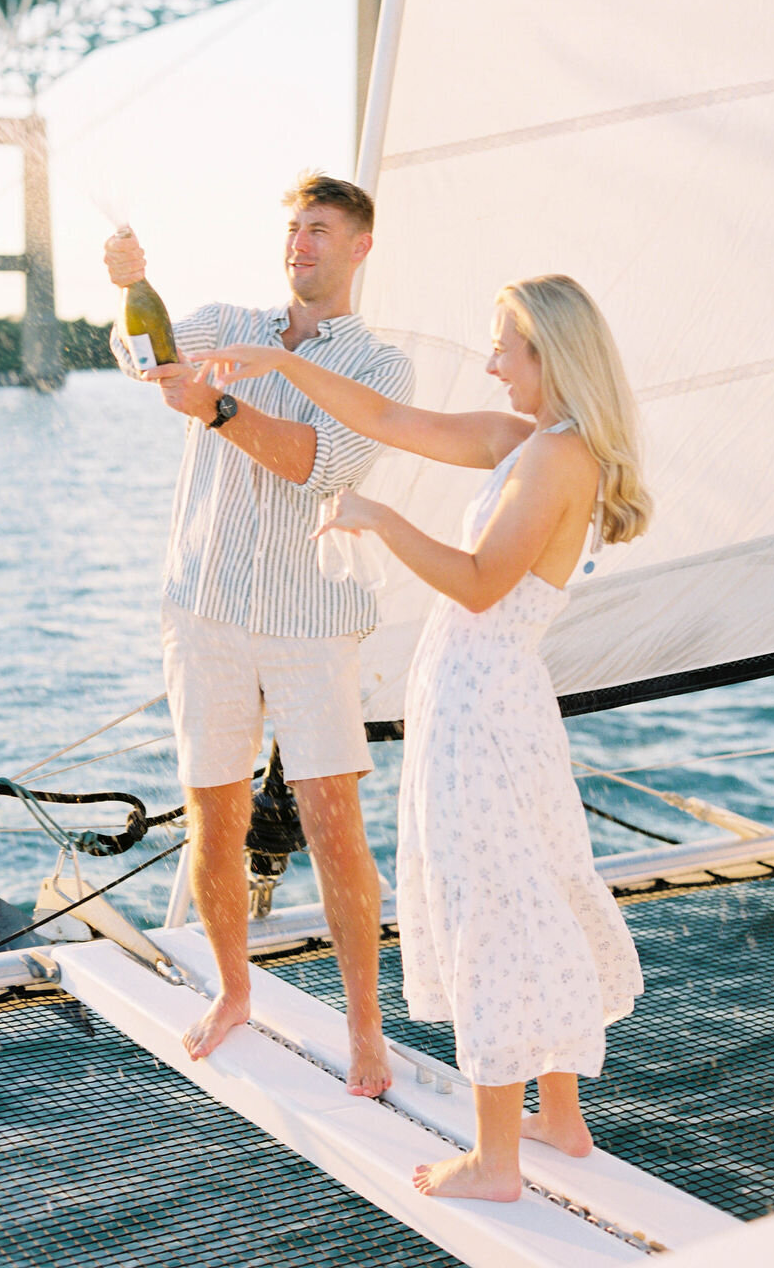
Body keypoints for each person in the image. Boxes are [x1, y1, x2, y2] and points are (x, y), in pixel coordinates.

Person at [187, 273, 652, 1200]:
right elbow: (390, 421)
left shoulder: (557, 460)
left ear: (548, 356)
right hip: (484, 698)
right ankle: (556, 1117)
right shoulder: (531, 442)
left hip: (486, 709)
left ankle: (496, 1162)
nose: (489, 364)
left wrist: (379, 519)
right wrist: (279, 359)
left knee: (491, 902)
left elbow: (480, 582)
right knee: (528, 885)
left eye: (502, 348)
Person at [102, 172, 415, 1094]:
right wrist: (129, 285)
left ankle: (366, 1030)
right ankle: (235, 990)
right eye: (293, 229)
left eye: (320, 230)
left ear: (360, 248)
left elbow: (318, 465)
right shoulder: (224, 321)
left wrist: (220, 409)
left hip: (310, 624)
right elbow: (139, 353)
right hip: (202, 611)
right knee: (214, 812)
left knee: (333, 826)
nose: (301, 244)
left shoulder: (380, 367)